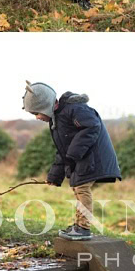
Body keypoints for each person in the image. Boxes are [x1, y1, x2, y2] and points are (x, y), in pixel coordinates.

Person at [22, 81, 121, 241]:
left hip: (92, 158)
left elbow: (92, 127)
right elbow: (63, 151)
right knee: (77, 188)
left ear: (46, 106)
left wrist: (73, 154)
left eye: (37, 113)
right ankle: (78, 225)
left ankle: (83, 228)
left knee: (81, 189)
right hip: (82, 158)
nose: (37, 117)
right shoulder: (58, 119)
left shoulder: (75, 110)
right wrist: (55, 176)